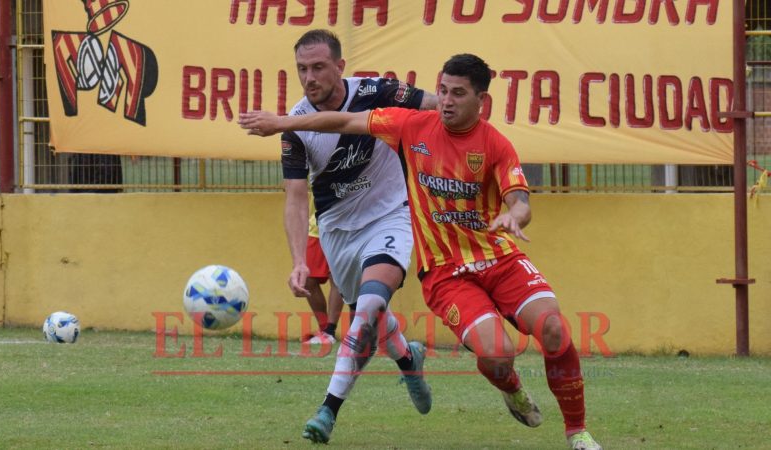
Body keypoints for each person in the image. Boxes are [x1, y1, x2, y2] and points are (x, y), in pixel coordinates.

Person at [239, 53, 602, 450]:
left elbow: (520, 201)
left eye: (458, 94)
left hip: (500, 258)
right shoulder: (411, 126)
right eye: (442, 90)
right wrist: (281, 123)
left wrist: (515, 216)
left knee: (553, 328)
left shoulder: (496, 145)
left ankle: (577, 433)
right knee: (498, 356)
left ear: (482, 99)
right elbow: (343, 121)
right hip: (446, 273)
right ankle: (511, 387)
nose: (446, 100)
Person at [265, 30, 439, 444]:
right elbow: (295, 197)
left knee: (371, 304)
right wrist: (299, 261)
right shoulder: (296, 125)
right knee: (372, 314)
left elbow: (436, 107)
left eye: (319, 67)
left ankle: (328, 410)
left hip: (391, 216)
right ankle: (407, 360)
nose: (310, 77)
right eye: (302, 69)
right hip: (337, 232)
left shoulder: (378, 91)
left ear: (340, 66)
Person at [301, 208, 343, 345]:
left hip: (342, 227)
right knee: (307, 279)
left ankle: (329, 331)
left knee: (337, 278)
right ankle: (324, 329)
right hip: (315, 227)